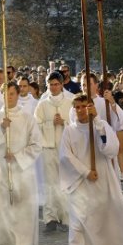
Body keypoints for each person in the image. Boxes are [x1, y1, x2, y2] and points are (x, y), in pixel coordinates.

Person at [60, 93, 123, 245]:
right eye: (77, 107)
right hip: (79, 180)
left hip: (101, 178)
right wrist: (86, 172)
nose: (80, 111)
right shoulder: (69, 130)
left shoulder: (100, 126)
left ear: (91, 107)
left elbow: (110, 149)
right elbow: (65, 156)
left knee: (99, 220)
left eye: (84, 106)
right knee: (78, 221)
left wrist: (98, 124)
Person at [0, 82, 42, 245]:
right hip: (0, 171)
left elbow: (36, 145)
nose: (9, 97)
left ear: (18, 94)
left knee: (21, 213)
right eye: (6, 94)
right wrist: (0, 129)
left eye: (12, 94)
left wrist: (17, 156)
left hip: (22, 172)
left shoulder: (27, 118)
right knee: (0, 212)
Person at [34, 72, 74, 232]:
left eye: (56, 84)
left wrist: (64, 122)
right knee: (50, 183)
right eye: (51, 84)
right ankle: (50, 218)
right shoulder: (42, 105)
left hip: (65, 148)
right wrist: (51, 124)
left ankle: (66, 217)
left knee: (65, 182)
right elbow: (36, 126)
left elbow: (76, 123)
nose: (54, 87)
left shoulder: (70, 102)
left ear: (62, 84)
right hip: (48, 147)